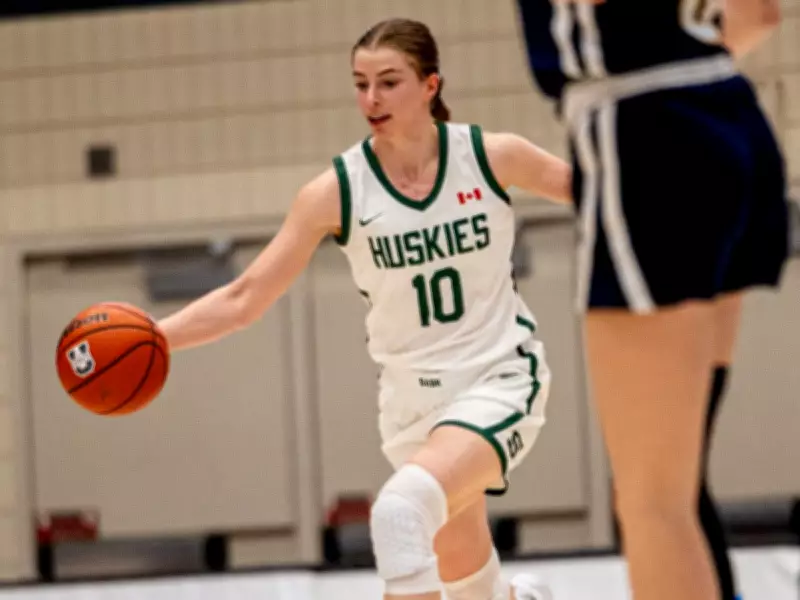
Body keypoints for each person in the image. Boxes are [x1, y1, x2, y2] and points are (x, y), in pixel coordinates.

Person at [157, 17, 572, 600]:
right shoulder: (337, 190)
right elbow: (245, 295)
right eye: (360, 84)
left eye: (388, 82)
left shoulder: (490, 155)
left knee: (400, 514)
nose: (371, 98)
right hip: (410, 405)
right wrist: (155, 338)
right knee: (466, 586)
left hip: (497, 376)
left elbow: (603, 191)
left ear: (431, 85)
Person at [513, 1, 788, 600]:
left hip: (645, 130)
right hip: (726, 107)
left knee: (649, 502)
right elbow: (759, 13)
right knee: (675, 488)